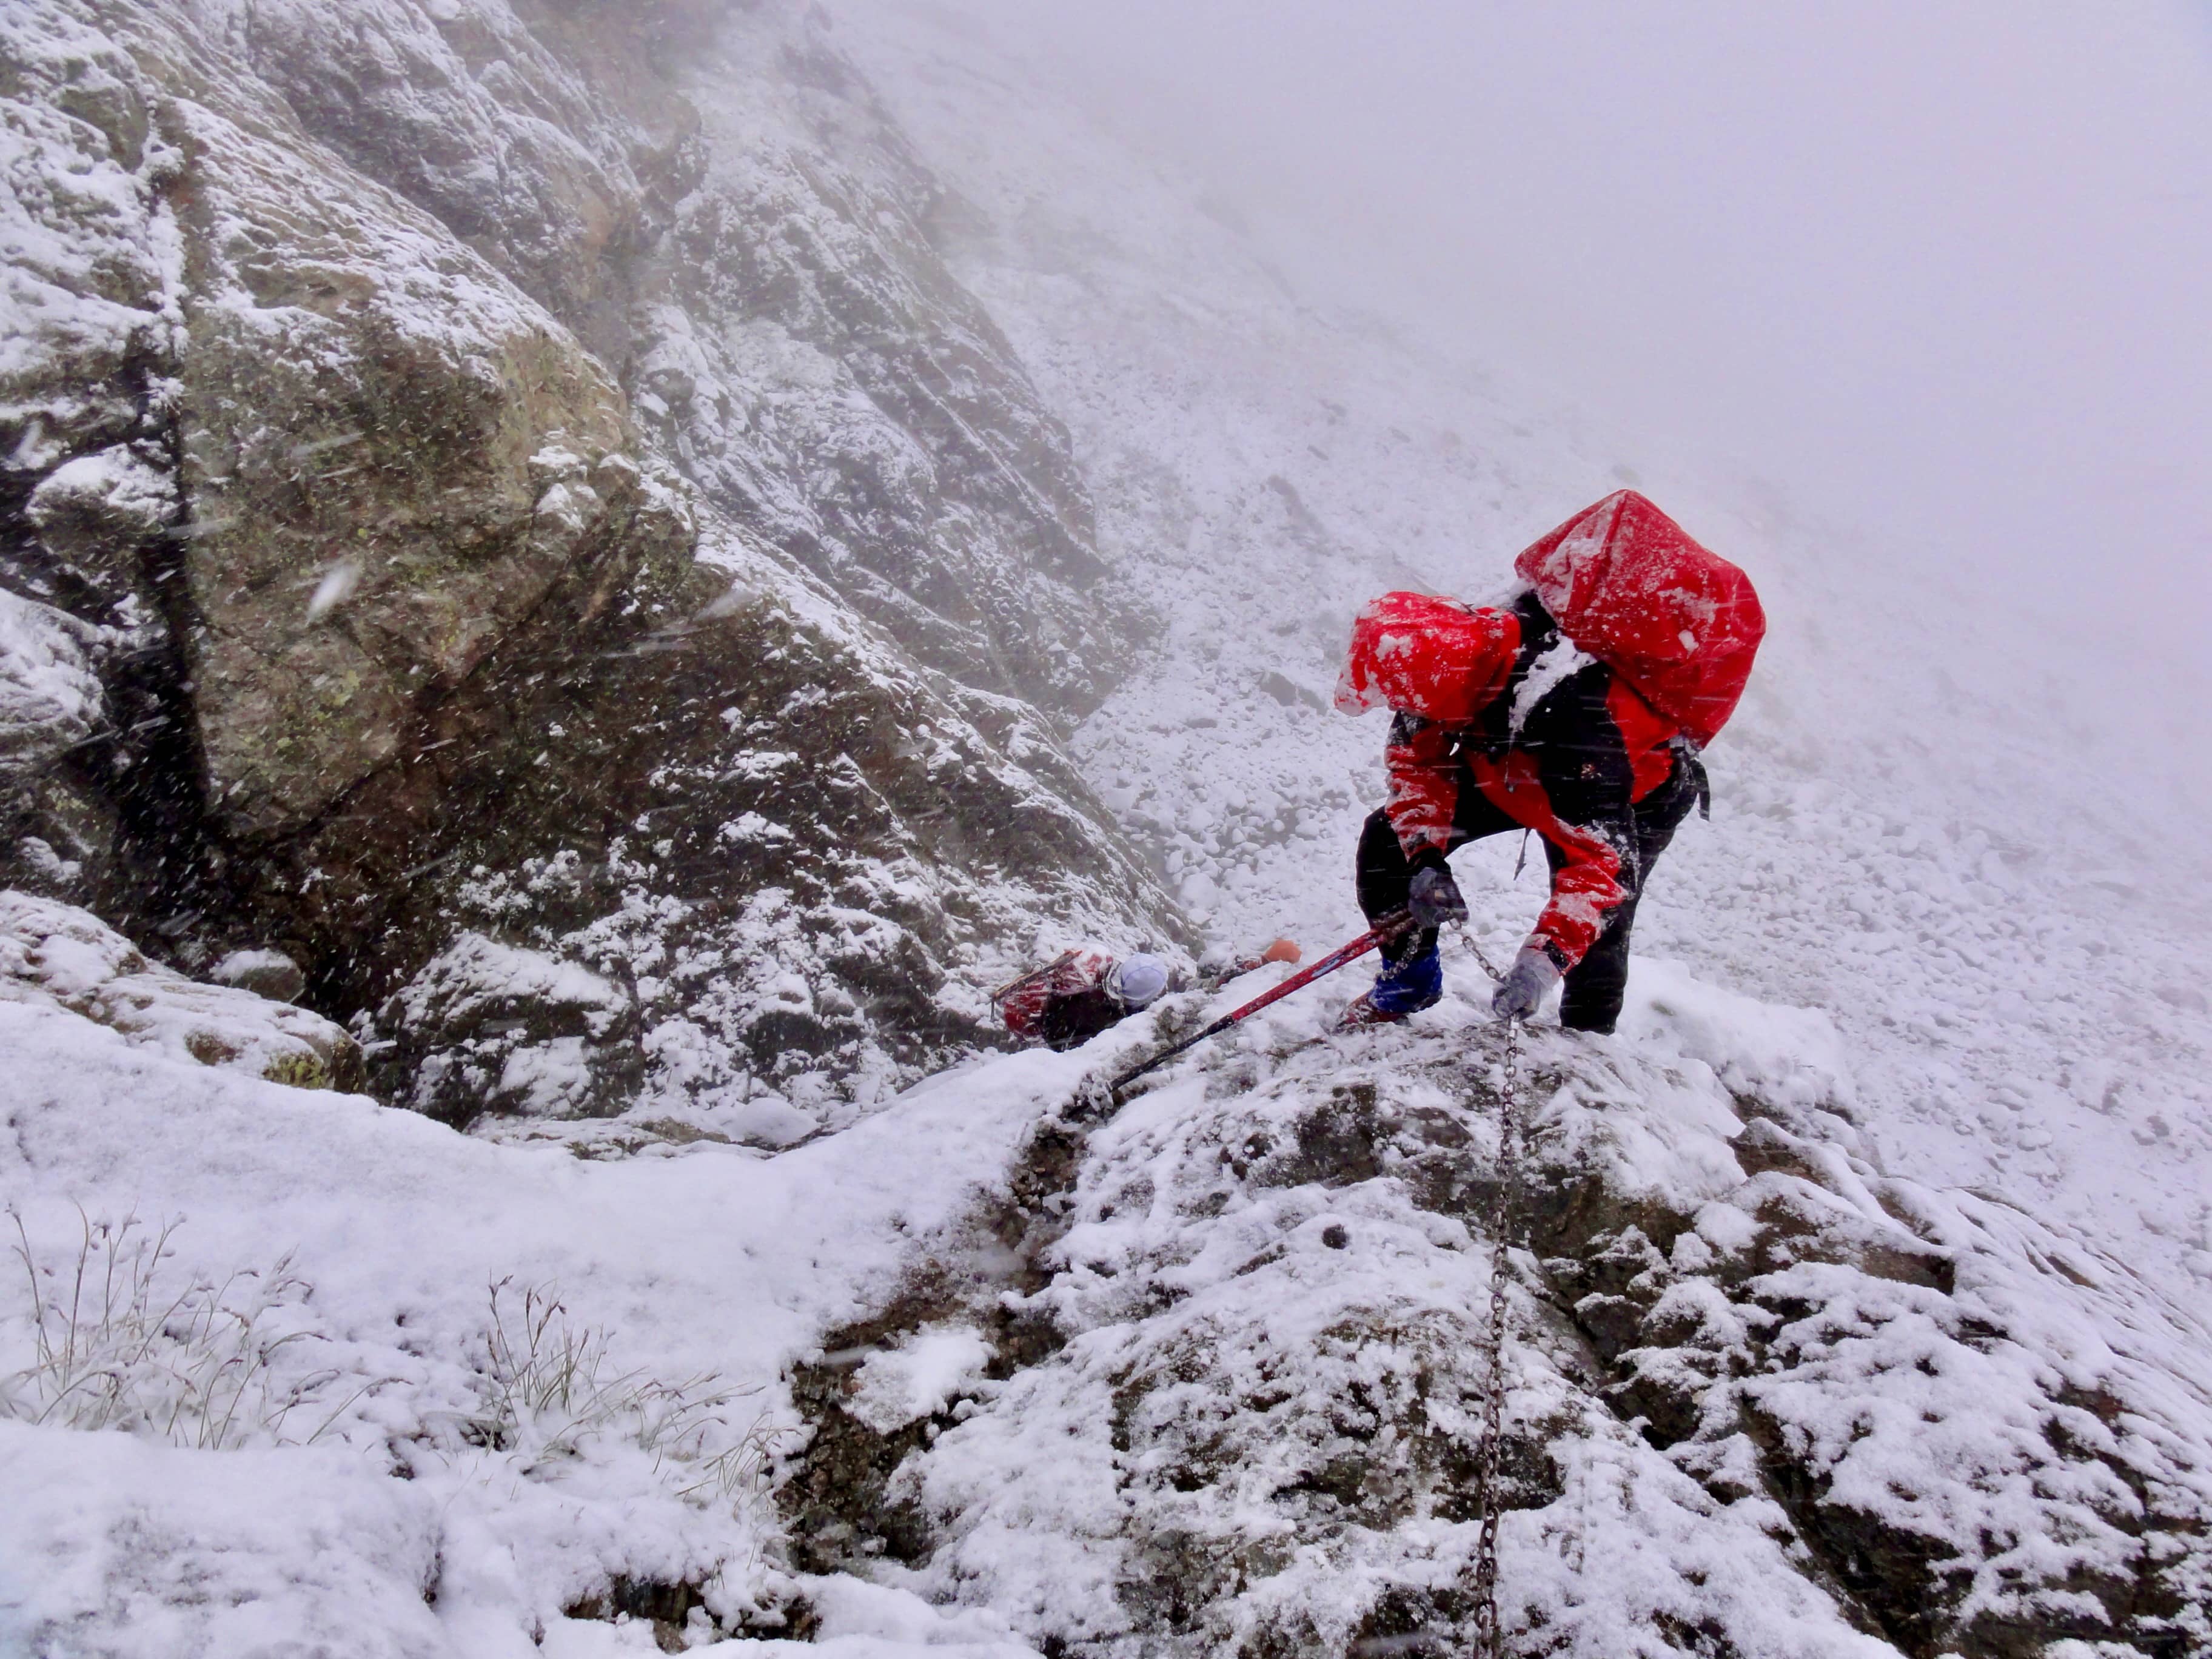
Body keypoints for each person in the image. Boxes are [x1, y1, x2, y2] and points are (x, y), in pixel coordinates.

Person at [1335, 491, 1764, 1033]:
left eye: (1413, 707)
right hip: (1513, 766)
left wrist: (1543, 962)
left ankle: (1587, 1042)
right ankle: (1409, 982)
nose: (1408, 715)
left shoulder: (1576, 722)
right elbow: (1415, 767)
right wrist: (1425, 858)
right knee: (1387, 840)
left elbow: (1603, 869)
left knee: (1604, 926)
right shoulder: (1444, 670)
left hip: (1628, 788)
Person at [994, 940, 1301, 1052]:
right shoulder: (1108, 1022)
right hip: (1053, 1043)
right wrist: (1260, 964)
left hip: (1048, 1032)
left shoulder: (1092, 986)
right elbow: (1195, 997)